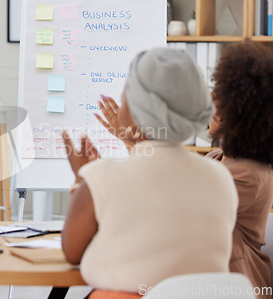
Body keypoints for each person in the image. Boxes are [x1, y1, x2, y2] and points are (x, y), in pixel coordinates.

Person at [61, 48, 239, 298]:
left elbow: (72, 252)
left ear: (135, 112)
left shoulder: (102, 176)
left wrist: (82, 179)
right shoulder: (220, 177)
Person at [206, 40, 273, 299]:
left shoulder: (249, 174)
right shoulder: (215, 158)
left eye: (222, 97)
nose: (214, 104)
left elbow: (186, 207)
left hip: (240, 287)